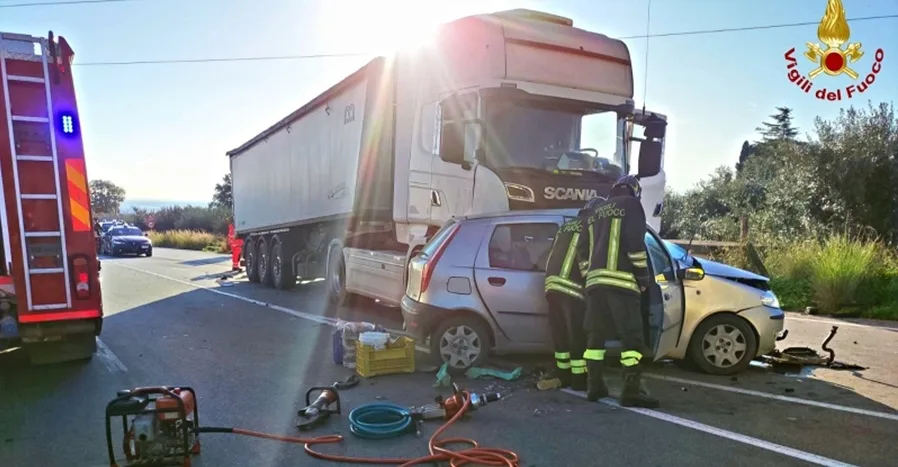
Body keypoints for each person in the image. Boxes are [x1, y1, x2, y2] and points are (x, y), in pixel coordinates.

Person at [579, 175, 659, 408]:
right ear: (635, 191)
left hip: (595, 285)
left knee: (595, 337)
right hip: (622, 283)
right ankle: (631, 391)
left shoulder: (595, 211)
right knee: (631, 338)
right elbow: (636, 245)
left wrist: (590, 278)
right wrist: (643, 278)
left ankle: (594, 387)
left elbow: (582, 250)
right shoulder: (631, 205)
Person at [543, 197, 603, 390]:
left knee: (560, 334)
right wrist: (590, 283)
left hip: (552, 285)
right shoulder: (590, 226)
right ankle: (578, 380)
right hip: (572, 287)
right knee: (577, 334)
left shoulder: (566, 226)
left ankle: (564, 375)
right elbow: (586, 259)